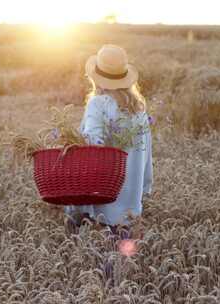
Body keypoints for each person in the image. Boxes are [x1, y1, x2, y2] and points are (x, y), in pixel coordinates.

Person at [64, 44, 153, 239]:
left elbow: (92, 144)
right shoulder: (139, 110)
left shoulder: (99, 104)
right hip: (130, 203)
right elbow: (146, 154)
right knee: (123, 261)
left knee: (93, 259)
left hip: (102, 200)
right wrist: (145, 187)